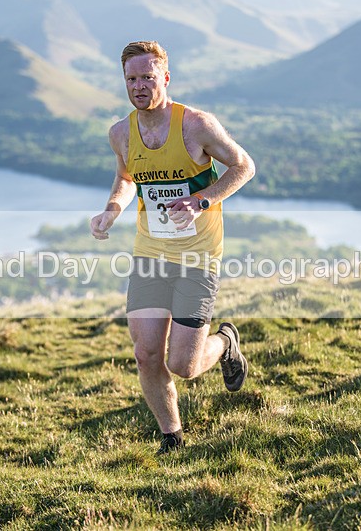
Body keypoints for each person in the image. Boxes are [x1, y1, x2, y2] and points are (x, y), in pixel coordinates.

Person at [90, 40, 255, 454]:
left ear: (165, 77)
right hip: (150, 255)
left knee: (183, 365)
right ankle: (172, 438)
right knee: (146, 354)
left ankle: (225, 343)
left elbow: (243, 166)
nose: (139, 85)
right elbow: (128, 179)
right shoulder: (121, 133)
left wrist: (202, 201)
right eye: (132, 78)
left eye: (148, 76)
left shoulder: (196, 125)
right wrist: (111, 210)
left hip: (198, 257)